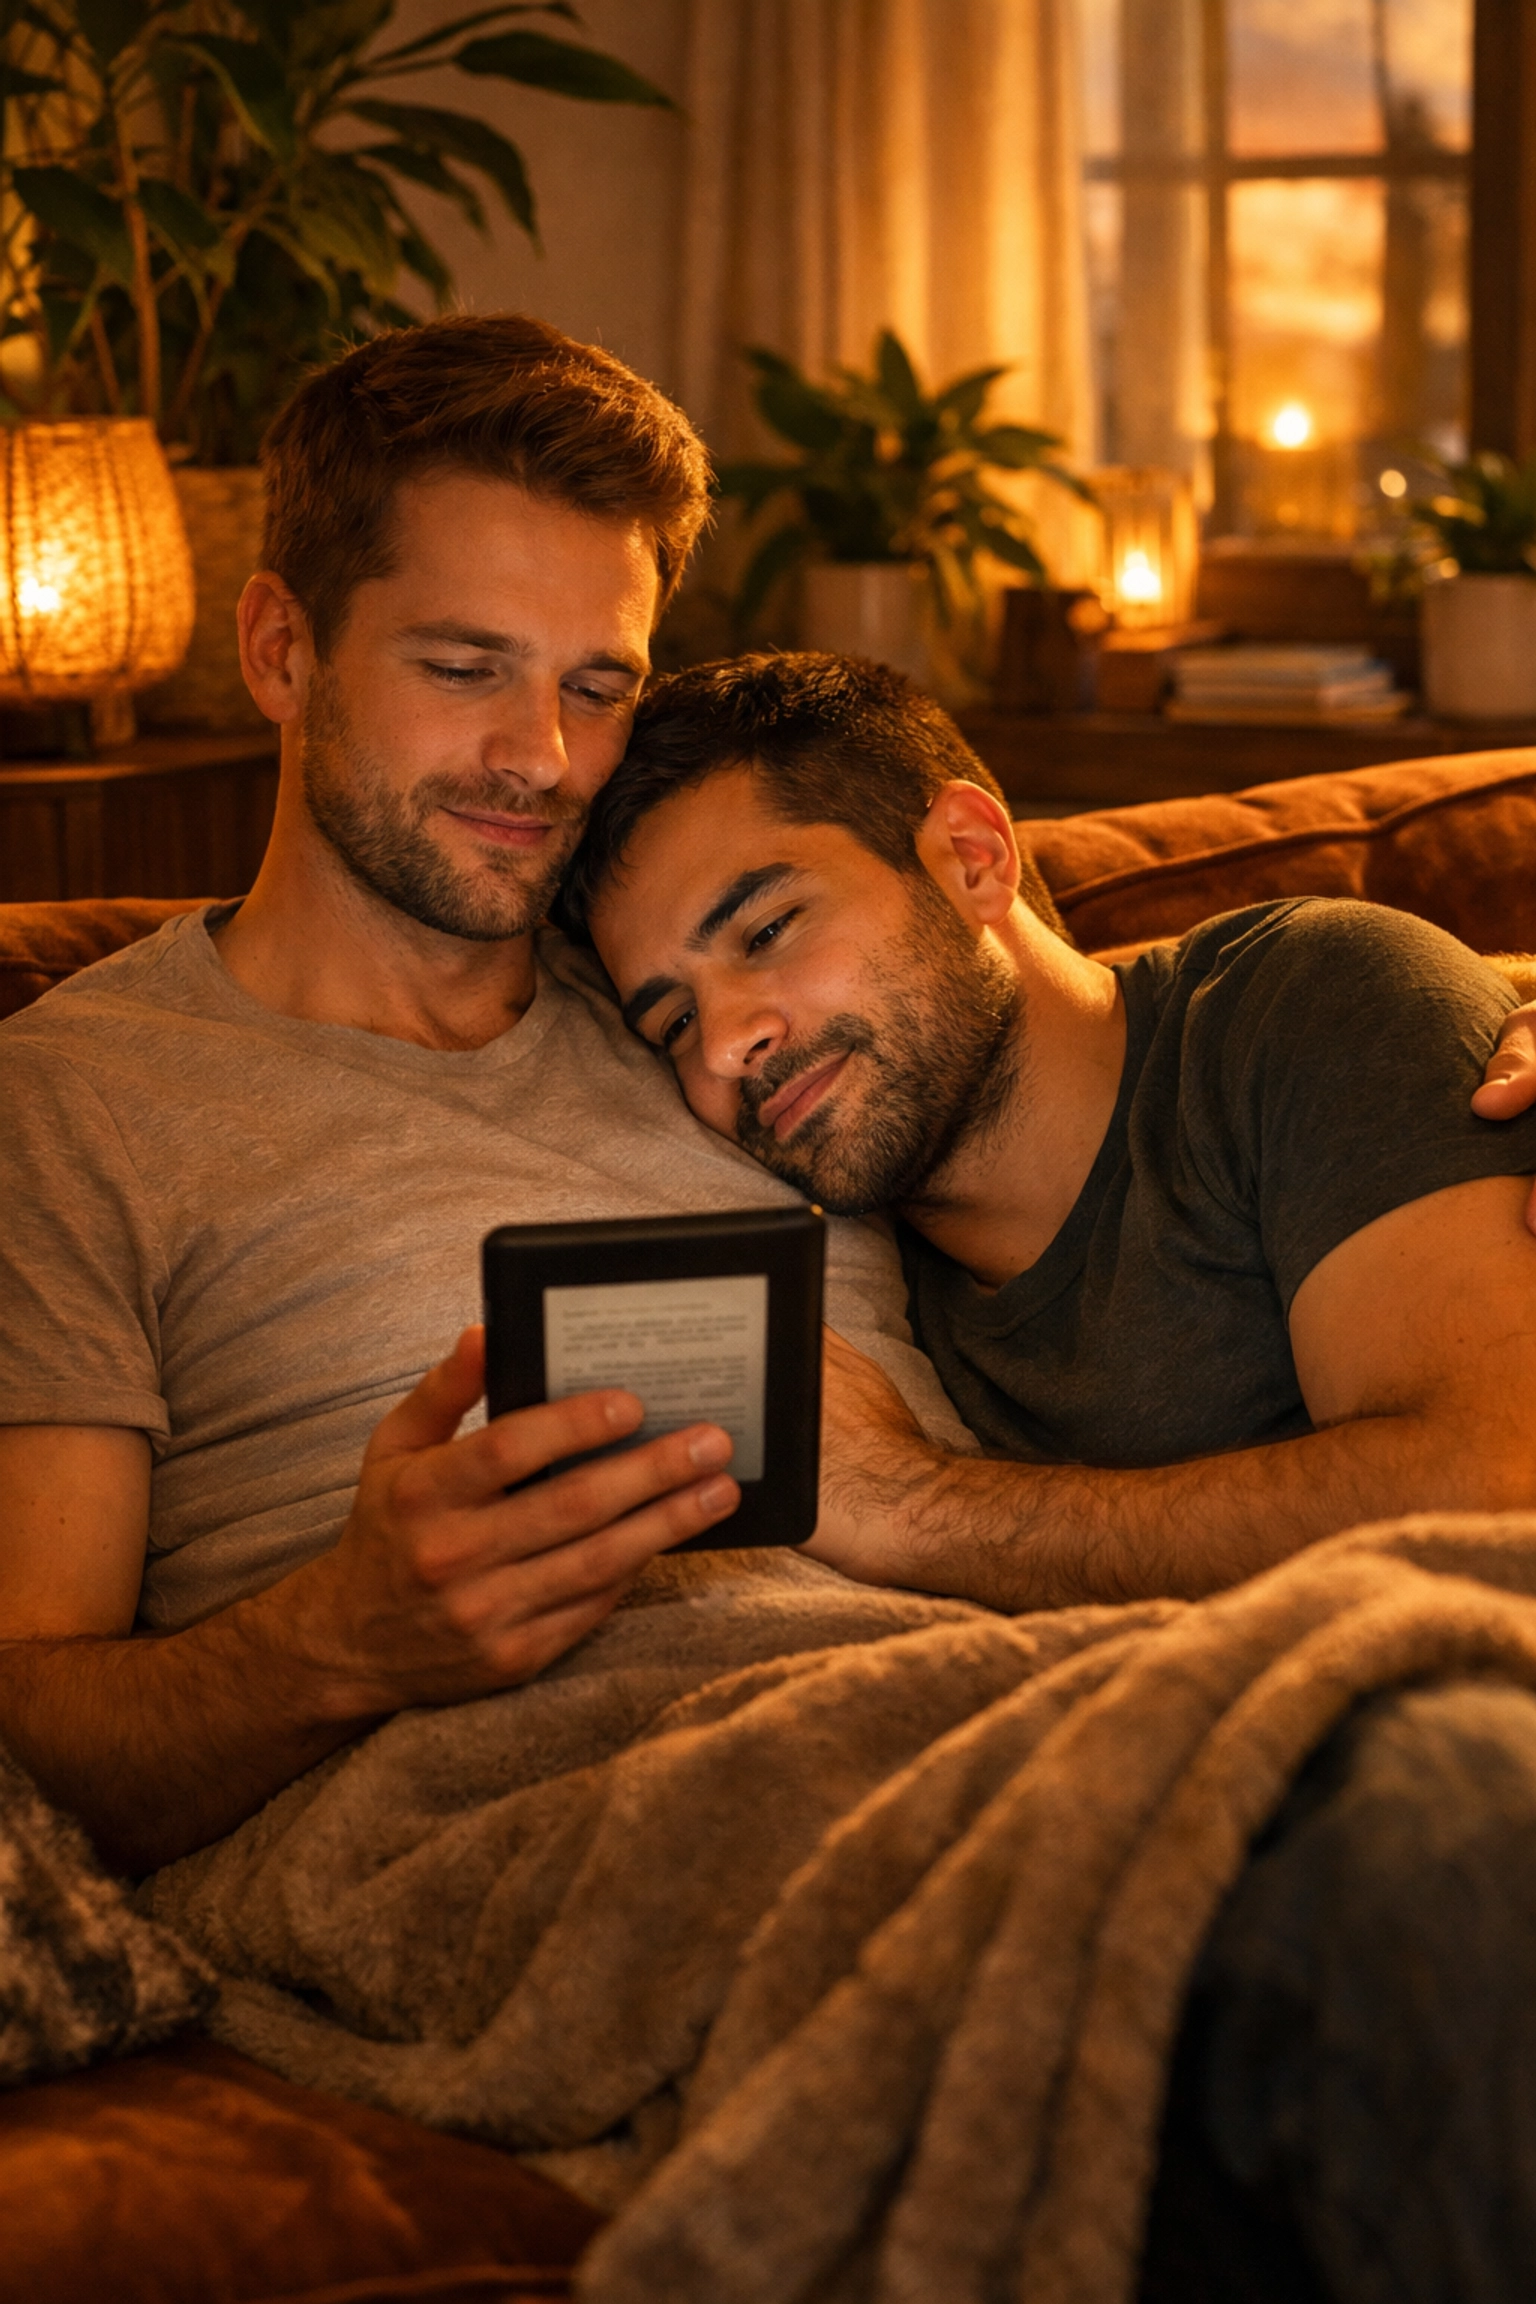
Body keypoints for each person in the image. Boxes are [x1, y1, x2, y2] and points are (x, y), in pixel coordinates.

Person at [0, 318, 967, 1879]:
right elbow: (26, 1734)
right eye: (464, 671)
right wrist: (339, 1641)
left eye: (601, 687)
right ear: (281, 651)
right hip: (542, 1825)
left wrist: (1485, 1024)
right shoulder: (75, 1106)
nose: (544, 760)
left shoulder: (716, 1012)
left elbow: (1102, 1025)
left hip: (985, 1709)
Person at [563, 649, 1536, 1611]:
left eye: (769, 930)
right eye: (674, 1023)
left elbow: (1495, 1492)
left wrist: (915, 1506)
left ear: (971, 859)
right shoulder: (864, 1298)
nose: (729, 1044)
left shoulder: (1304, 999)